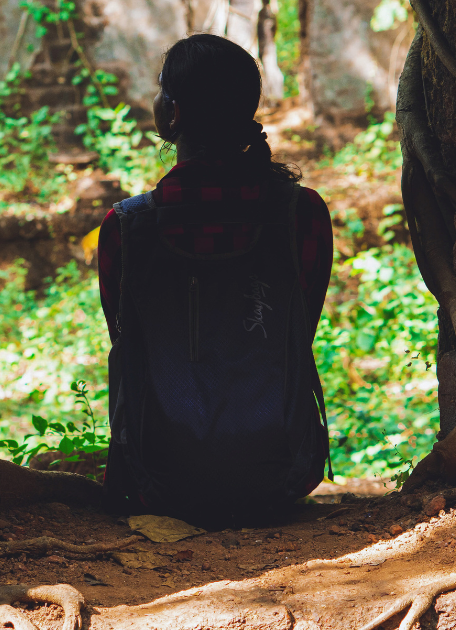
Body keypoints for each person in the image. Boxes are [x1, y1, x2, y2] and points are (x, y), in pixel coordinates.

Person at [97, 33, 333, 526]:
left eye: (161, 89)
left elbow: (124, 337)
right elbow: (299, 328)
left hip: (157, 480)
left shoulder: (125, 228)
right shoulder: (302, 214)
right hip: (282, 473)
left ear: (174, 113)